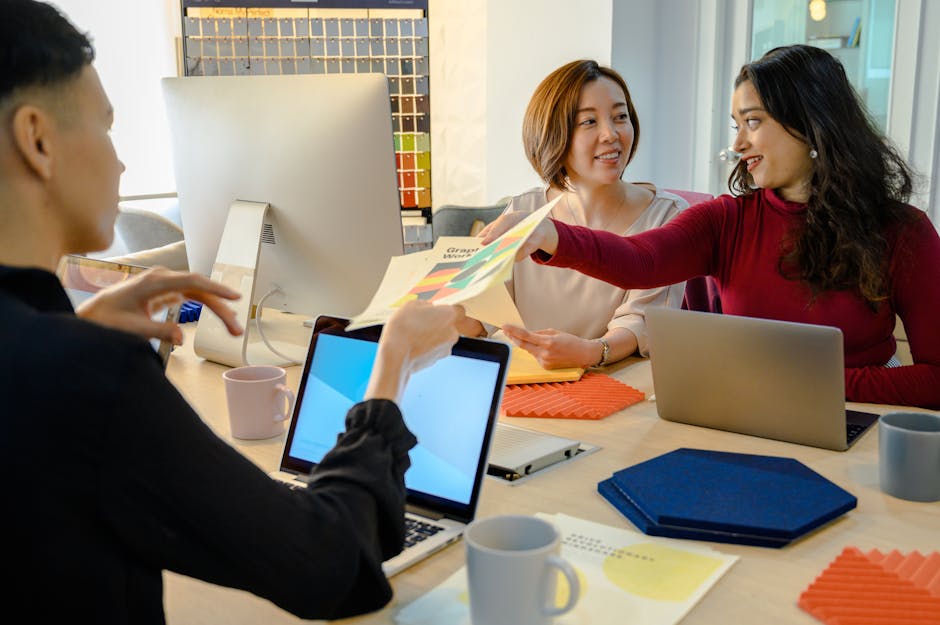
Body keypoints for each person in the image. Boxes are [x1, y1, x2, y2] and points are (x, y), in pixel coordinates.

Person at [0, 1, 462, 622]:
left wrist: (72, 335)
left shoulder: (54, 363)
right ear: (36, 139)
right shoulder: (84, 377)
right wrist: (392, 368)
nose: (120, 161)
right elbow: (330, 563)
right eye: (106, 128)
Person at [482, 45, 940, 409]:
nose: (738, 143)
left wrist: (817, 385)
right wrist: (551, 235)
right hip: (745, 411)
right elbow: (640, 260)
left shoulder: (904, 232)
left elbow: (935, 378)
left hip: (858, 417)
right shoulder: (726, 220)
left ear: (811, 124)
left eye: (753, 123)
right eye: (735, 125)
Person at [465, 60, 687, 370]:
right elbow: (480, 319)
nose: (611, 134)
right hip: (529, 387)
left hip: (613, 383)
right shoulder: (523, 211)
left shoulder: (666, 216)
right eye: (589, 122)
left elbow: (642, 323)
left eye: (620, 117)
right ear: (554, 133)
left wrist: (592, 351)